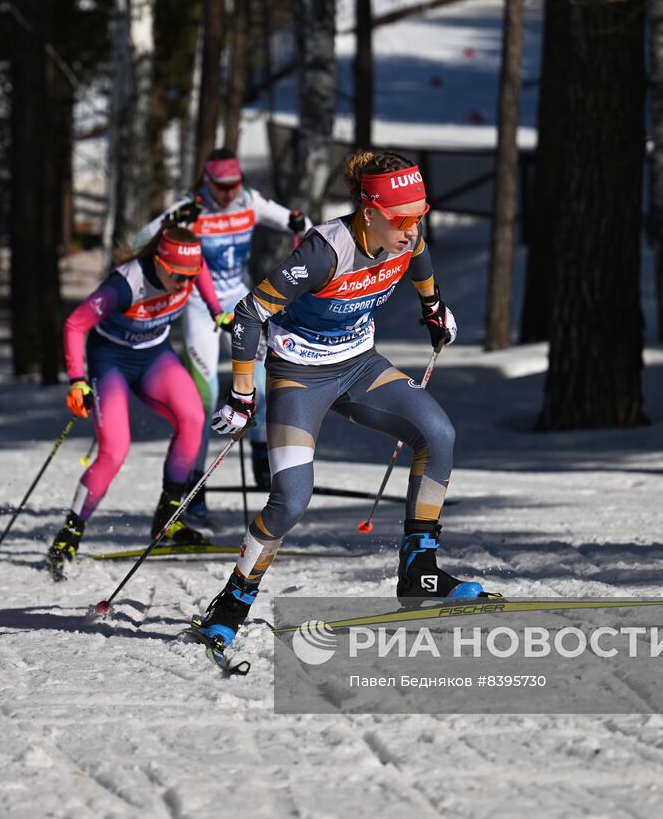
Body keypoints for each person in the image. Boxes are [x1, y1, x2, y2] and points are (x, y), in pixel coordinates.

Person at [194, 150, 489, 653]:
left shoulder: (407, 234)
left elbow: (420, 260)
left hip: (359, 365)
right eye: (401, 218)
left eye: (421, 215)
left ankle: (419, 571)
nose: (412, 228)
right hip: (298, 375)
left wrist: (434, 305)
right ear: (369, 211)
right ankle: (231, 602)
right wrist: (243, 392)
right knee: (291, 499)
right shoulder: (324, 252)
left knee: (438, 435)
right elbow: (247, 315)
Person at [46, 225, 230, 579]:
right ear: (159, 262)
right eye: (177, 275)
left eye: (189, 276)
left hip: (154, 356)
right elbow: (74, 324)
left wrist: (218, 311)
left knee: (193, 417)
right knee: (115, 451)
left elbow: (202, 279)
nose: (184, 283)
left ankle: (169, 519)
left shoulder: (189, 269)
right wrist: (77, 381)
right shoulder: (125, 284)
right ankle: (70, 533)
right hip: (111, 361)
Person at [137, 148, 308, 517]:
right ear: (207, 182)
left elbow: (300, 223)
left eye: (234, 184)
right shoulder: (192, 207)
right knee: (204, 396)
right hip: (199, 308)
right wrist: (169, 223)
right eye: (221, 186)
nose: (229, 193)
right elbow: (138, 242)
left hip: (238, 304)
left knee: (260, 386)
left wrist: (301, 230)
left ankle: (263, 464)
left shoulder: (250, 201)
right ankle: (194, 487)